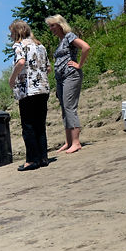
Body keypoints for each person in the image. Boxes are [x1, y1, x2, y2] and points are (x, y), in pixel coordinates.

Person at [8, 20, 50, 171]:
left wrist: (12, 79)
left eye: (11, 32)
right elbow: (48, 67)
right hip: (43, 88)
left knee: (28, 125)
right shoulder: (40, 46)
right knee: (40, 124)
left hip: (28, 90)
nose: (10, 35)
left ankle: (32, 160)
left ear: (16, 32)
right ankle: (43, 157)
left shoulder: (19, 46)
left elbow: (20, 62)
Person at [45, 14, 91, 154]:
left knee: (70, 107)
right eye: (50, 26)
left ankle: (76, 142)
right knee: (65, 108)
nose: (51, 28)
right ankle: (69, 141)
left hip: (71, 75)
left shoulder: (69, 36)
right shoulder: (61, 41)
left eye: (53, 25)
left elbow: (86, 47)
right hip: (61, 78)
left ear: (60, 24)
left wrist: (79, 64)